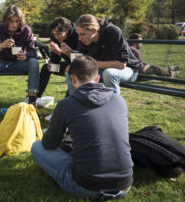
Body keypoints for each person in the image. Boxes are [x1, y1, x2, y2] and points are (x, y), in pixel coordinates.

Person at [31, 55, 133, 199]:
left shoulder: (66, 105)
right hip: (125, 184)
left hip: (88, 187)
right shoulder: (119, 100)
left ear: (73, 79)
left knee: (37, 146)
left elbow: (48, 144)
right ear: (97, 78)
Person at [0, 5, 39, 116]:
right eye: (11, 21)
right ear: (6, 21)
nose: (14, 24)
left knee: (34, 62)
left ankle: (32, 102)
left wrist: (25, 55)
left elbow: (33, 52)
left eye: (17, 21)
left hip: (18, 62)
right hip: (0, 62)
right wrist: (0, 46)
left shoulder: (26, 30)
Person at [74, 14, 140, 94]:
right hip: (102, 70)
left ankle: (113, 104)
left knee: (109, 74)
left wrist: (92, 64)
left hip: (129, 70)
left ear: (94, 31)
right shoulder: (84, 39)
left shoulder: (113, 32)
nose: (79, 38)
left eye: (83, 34)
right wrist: (68, 52)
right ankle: (78, 102)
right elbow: (81, 59)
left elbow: (122, 64)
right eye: (78, 34)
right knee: (75, 71)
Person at [38, 17, 79, 98]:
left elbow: (82, 60)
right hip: (68, 64)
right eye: (54, 34)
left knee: (71, 70)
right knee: (46, 68)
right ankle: (34, 99)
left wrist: (60, 52)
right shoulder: (57, 36)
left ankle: (69, 101)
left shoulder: (78, 34)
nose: (56, 37)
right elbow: (56, 58)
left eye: (58, 34)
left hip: (80, 67)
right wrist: (52, 62)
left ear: (66, 30)